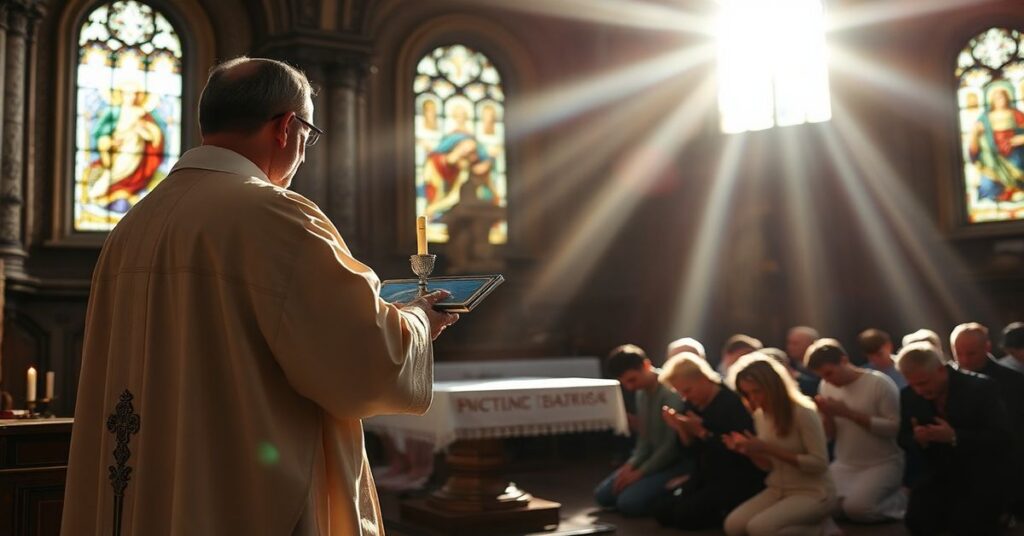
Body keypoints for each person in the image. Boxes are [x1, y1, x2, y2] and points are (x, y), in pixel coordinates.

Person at [61, 57, 459, 536]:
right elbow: (365, 359)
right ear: (286, 127)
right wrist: (418, 320)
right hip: (241, 493)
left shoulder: (132, 223)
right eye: (308, 134)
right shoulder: (273, 215)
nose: (304, 155)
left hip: (147, 486)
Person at [897, 342, 1011, 536]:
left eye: (923, 383)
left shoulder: (981, 387)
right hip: (939, 473)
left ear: (941, 370)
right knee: (917, 521)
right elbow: (902, 438)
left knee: (968, 526)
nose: (919, 391)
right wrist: (918, 438)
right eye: (912, 384)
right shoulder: (909, 395)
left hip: (981, 472)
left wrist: (954, 436)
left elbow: (1001, 438)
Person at [723, 354, 836, 536]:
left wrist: (767, 448)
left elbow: (819, 463)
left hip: (814, 491)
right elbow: (769, 466)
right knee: (733, 526)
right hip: (778, 488)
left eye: (757, 391)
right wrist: (749, 451)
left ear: (773, 387)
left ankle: (822, 530)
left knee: (759, 528)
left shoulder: (803, 412)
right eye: (746, 394)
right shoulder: (761, 415)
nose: (752, 399)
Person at [655, 353, 764, 530]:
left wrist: (702, 432)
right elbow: (690, 452)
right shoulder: (692, 404)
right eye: (680, 393)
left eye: (687, 390)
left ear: (703, 378)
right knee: (661, 509)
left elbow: (739, 452)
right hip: (705, 475)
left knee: (684, 516)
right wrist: (681, 429)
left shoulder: (732, 403)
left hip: (733, 478)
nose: (685, 397)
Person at [806, 339, 906, 522]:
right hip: (845, 463)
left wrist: (848, 413)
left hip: (882, 462)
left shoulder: (879, 383)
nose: (827, 380)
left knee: (858, 510)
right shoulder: (826, 386)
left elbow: (894, 429)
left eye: (829, 373)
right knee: (821, 505)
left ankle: (902, 501)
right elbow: (830, 435)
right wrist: (826, 415)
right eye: (822, 376)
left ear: (844, 360)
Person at [594, 344, 690, 517]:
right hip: (651, 459)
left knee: (628, 503)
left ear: (646, 365)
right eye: (624, 383)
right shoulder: (641, 393)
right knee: (603, 495)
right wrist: (630, 465)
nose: (629, 387)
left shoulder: (671, 391)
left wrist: (640, 473)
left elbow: (671, 447)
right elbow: (644, 440)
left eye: (632, 380)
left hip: (675, 462)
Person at [968, 85, 1024, 202]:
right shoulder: (984, 118)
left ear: (1007, 97)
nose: (1000, 100)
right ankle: (1000, 196)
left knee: (1018, 165)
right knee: (987, 184)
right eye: (997, 98)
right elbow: (975, 140)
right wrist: (975, 133)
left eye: (1002, 96)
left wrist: (1019, 139)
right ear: (992, 101)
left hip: (1014, 152)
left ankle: (1016, 191)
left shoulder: (1016, 114)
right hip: (992, 157)